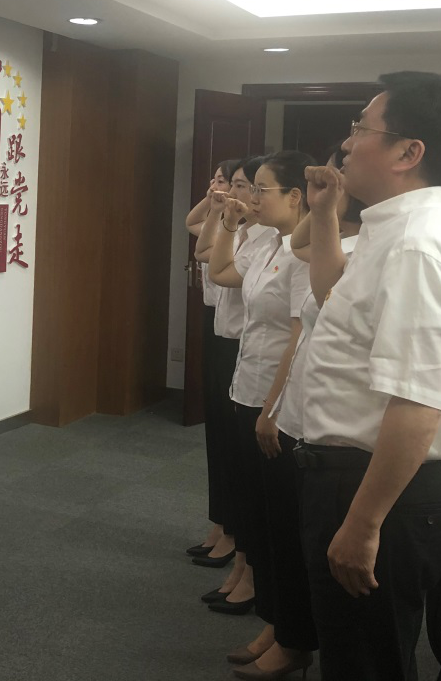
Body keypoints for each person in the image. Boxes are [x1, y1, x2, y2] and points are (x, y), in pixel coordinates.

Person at [295, 72, 441, 681]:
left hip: (378, 490)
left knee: (366, 662)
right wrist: (324, 215)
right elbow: (333, 298)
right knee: (359, 652)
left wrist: (362, 524)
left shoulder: (417, 246)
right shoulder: (396, 229)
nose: (346, 143)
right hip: (364, 480)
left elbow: (418, 405)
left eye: (361, 127)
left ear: (409, 153)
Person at [206, 151, 316, 679]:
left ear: (295, 197)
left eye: (261, 189)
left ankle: (289, 635)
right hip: (247, 388)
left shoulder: (303, 256)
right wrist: (229, 224)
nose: (251, 197)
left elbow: (299, 337)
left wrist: (272, 410)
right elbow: (220, 272)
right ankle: (274, 623)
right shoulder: (268, 243)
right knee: (256, 515)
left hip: (277, 403)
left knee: (280, 528)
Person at [193, 156, 274, 610]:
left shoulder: (274, 243)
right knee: (225, 449)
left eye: (252, 187)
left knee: (247, 467)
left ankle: (244, 557)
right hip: (233, 348)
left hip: (255, 357)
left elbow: (217, 268)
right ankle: (228, 535)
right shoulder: (243, 231)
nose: (243, 195)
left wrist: (228, 220)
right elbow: (204, 253)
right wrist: (220, 213)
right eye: (242, 185)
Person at [182, 159, 237, 562]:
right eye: (215, 178)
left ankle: (233, 532)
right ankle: (219, 523)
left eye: (228, 181)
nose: (217, 185)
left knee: (232, 442)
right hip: (215, 325)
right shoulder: (218, 222)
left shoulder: (248, 234)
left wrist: (226, 211)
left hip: (236, 337)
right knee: (216, 435)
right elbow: (192, 225)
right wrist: (212, 201)